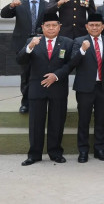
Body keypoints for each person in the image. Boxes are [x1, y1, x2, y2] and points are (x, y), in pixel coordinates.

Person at [17, 13, 74, 166]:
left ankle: (55, 153)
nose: (50, 28)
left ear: (59, 27)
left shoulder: (67, 43)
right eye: (47, 25)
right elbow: (20, 60)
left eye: (54, 25)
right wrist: (30, 47)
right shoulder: (32, 41)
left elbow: (70, 64)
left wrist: (56, 76)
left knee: (57, 121)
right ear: (42, 27)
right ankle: (34, 154)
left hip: (58, 87)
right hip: (37, 88)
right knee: (36, 123)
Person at [71, 13, 104, 163]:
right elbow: (73, 63)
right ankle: (83, 151)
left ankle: (99, 149)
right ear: (86, 27)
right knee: (83, 120)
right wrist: (82, 50)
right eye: (92, 25)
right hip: (84, 88)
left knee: (101, 120)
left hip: (103, 87)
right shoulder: (78, 41)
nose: (95, 27)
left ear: (102, 27)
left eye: (97, 25)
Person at [1, 0, 47, 114]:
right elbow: (4, 14)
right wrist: (11, 5)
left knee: (41, 74)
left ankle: (40, 102)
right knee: (25, 75)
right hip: (22, 45)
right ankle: (25, 103)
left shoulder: (46, 5)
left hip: (40, 45)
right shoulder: (19, 3)